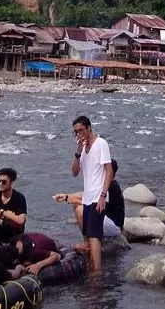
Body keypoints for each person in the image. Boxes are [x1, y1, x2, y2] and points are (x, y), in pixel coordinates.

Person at [70, 115, 113, 273]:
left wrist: (103, 195)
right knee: (88, 234)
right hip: (88, 197)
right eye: (75, 132)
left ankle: (97, 272)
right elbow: (74, 172)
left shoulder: (101, 144)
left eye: (81, 130)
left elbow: (109, 170)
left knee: (94, 235)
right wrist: (78, 151)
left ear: (89, 128)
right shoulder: (82, 148)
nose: (79, 134)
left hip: (98, 196)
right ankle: (92, 265)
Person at [54, 158, 125, 241]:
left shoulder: (110, 187)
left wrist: (68, 198)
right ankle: (90, 239)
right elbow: (85, 194)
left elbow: (92, 203)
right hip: (108, 221)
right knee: (77, 205)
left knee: (80, 210)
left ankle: (87, 243)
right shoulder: (106, 184)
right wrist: (67, 196)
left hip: (114, 227)